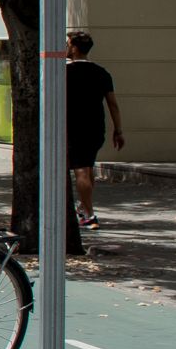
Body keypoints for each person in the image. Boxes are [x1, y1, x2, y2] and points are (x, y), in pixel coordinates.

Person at [67, 30, 125, 228]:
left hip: (74, 127)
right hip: (96, 127)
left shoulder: (65, 73)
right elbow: (113, 104)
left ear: (74, 48)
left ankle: (90, 214)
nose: (66, 48)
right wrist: (118, 130)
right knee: (87, 166)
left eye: (68, 44)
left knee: (81, 170)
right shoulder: (102, 73)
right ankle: (84, 207)